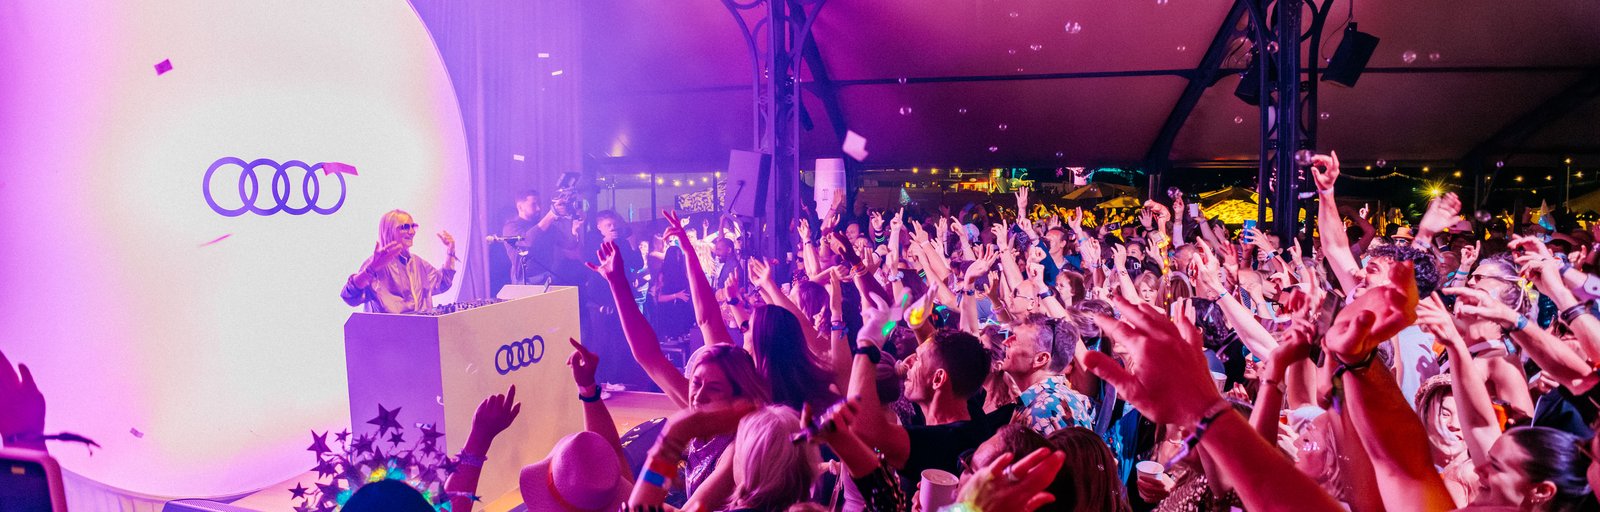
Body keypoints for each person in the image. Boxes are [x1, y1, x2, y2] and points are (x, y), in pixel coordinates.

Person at [340, 209, 456, 313]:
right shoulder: (375, 264)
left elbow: (443, 283)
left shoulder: (418, 263)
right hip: (388, 330)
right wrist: (371, 269)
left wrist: (451, 250)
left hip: (420, 329)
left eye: (413, 226)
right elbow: (349, 297)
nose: (412, 232)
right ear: (389, 231)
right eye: (405, 227)